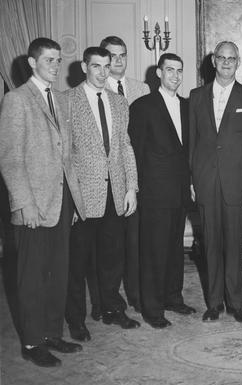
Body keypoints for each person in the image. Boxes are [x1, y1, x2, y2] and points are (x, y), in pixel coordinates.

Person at [0, 37, 86, 367]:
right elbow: (9, 159)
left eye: (58, 60)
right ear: (32, 63)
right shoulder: (17, 100)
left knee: (58, 272)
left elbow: (67, 155)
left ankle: (52, 333)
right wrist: (24, 204)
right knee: (32, 275)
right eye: (49, 60)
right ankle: (33, 342)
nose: (55, 66)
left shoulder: (59, 100)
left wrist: (74, 202)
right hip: (33, 205)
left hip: (61, 202)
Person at [65, 46, 140, 342]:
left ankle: (110, 308)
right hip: (83, 194)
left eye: (106, 66)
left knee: (112, 256)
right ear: (85, 67)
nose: (102, 72)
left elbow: (125, 146)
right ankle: (76, 319)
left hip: (115, 190)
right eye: (96, 66)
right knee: (78, 260)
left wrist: (132, 186)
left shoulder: (120, 102)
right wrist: (70, 198)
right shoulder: (68, 100)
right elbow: (66, 154)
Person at [189, 41, 242, 323]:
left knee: (235, 246)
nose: (225, 62)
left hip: (238, 185)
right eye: (221, 57)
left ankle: (236, 303)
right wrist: (192, 181)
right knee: (210, 245)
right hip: (206, 183)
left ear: (238, 62)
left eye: (231, 58)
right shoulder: (196, 96)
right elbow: (193, 143)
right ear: (213, 61)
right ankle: (213, 303)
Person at [129, 53, 195, 329]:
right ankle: (152, 308)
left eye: (179, 71)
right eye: (170, 70)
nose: (176, 76)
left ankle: (172, 297)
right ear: (158, 73)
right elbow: (135, 151)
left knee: (173, 248)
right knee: (153, 251)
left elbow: (189, 151)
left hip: (180, 192)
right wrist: (137, 189)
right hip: (154, 192)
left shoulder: (187, 106)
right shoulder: (143, 106)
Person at [100, 35, 150, 314]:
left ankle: (135, 294)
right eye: (112, 56)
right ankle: (106, 300)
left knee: (135, 241)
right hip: (107, 177)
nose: (118, 61)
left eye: (122, 55)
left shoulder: (140, 88)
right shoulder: (94, 87)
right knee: (108, 243)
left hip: (136, 174)